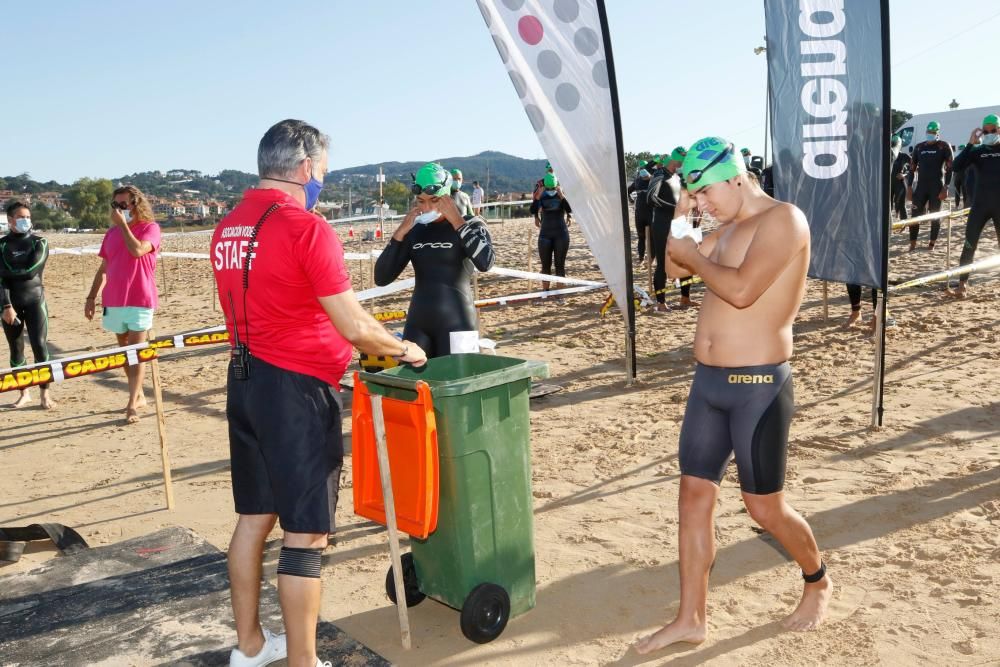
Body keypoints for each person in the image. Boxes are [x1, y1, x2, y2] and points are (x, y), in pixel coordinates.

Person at [212, 119, 427, 667]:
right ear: (306, 167)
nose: (321, 182)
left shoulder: (228, 227)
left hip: (244, 380)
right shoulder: (305, 227)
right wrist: (403, 349)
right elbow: (354, 326)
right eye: (323, 172)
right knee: (306, 536)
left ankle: (251, 647)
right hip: (296, 391)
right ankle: (303, 662)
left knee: (254, 519)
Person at [635, 137, 831, 655]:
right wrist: (680, 219)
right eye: (694, 196)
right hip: (709, 385)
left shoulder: (783, 221)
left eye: (703, 193)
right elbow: (676, 269)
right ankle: (689, 618)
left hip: (757, 387)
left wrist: (692, 254)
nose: (702, 204)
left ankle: (817, 579)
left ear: (735, 177)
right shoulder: (722, 230)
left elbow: (742, 290)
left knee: (763, 508)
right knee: (693, 497)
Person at [374, 162, 495, 358]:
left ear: (448, 197)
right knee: (414, 387)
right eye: (421, 201)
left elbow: (486, 262)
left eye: (435, 200)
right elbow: (381, 277)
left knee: (458, 386)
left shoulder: (472, 223)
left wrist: (456, 220)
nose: (427, 207)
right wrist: (400, 232)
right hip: (418, 324)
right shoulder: (414, 229)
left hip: (459, 323)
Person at [83, 185, 160, 424]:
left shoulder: (150, 228)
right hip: (114, 299)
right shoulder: (111, 233)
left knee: (136, 353)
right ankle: (138, 394)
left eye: (124, 204)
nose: (119, 209)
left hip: (140, 297)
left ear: (136, 204)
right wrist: (91, 296)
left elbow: (137, 250)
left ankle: (131, 404)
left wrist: (124, 225)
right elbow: (104, 267)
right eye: (115, 205)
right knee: (124, 352)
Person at [1, 201, 55, 409]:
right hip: (10, 303)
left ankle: (45, 394)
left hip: (35, 300)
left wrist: (5, 272)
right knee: (16, 350)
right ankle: (24, 393)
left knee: (40, 346)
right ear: (11, 220)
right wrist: (6, 306)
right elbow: (1, 282)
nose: (26, 221)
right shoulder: (2, 245)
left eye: (28, 217)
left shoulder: (39, 242)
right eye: (21, 217)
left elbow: (32, 270)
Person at [950, 113, 1000, 299]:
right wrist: (971, 143)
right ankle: (962, 284)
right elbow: (956, 166)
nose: (988, 133)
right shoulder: (978, 152)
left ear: (999, 130)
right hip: (980, 205)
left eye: (992, 130)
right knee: (969, 245)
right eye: (985, 131)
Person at [647, 147, 694, 311]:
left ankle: (685, 298)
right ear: (676, 158)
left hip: (679, 224)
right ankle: (661, 303)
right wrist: (675, 208)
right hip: (662, 224)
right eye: (683, 159)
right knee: (662, 264)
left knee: (687, 260)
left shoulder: (677, 177)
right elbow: (651, 198)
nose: (684, 162)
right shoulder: (660, 174)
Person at [908, 120, 954, 252]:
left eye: (933, 132)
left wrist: (946, 187)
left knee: (935, 216)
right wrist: (910, 187)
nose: (930, 134)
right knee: (915, 216)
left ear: (938, 133)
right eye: (929, 132)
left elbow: (950, 168)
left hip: (936, 187)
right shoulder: (919, 147)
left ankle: (931, 244)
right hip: (921, 186)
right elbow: (912, 168)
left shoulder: (944, 146)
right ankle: (912, 244)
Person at [531, 173, 574, 290]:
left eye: (553, 188)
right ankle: (546, 291)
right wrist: (538, 198)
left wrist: (561, 195)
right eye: (549, 188)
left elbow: (570, 209)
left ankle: (560, 293)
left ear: (556, 186)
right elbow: (532, 210)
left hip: (561, 234)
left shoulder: (561, 195)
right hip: (545, 235)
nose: (551, 191)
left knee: (560, 265)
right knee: (545, 267)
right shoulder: (542, 194)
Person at [627, 166, 653, 262]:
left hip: (639, 213)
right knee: (651, 238)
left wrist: (631, 199)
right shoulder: (652, 181)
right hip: (650, 213)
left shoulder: (637, 182)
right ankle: (651, 258)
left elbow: (627, 191)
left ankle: (641, 258)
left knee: (641, 237)